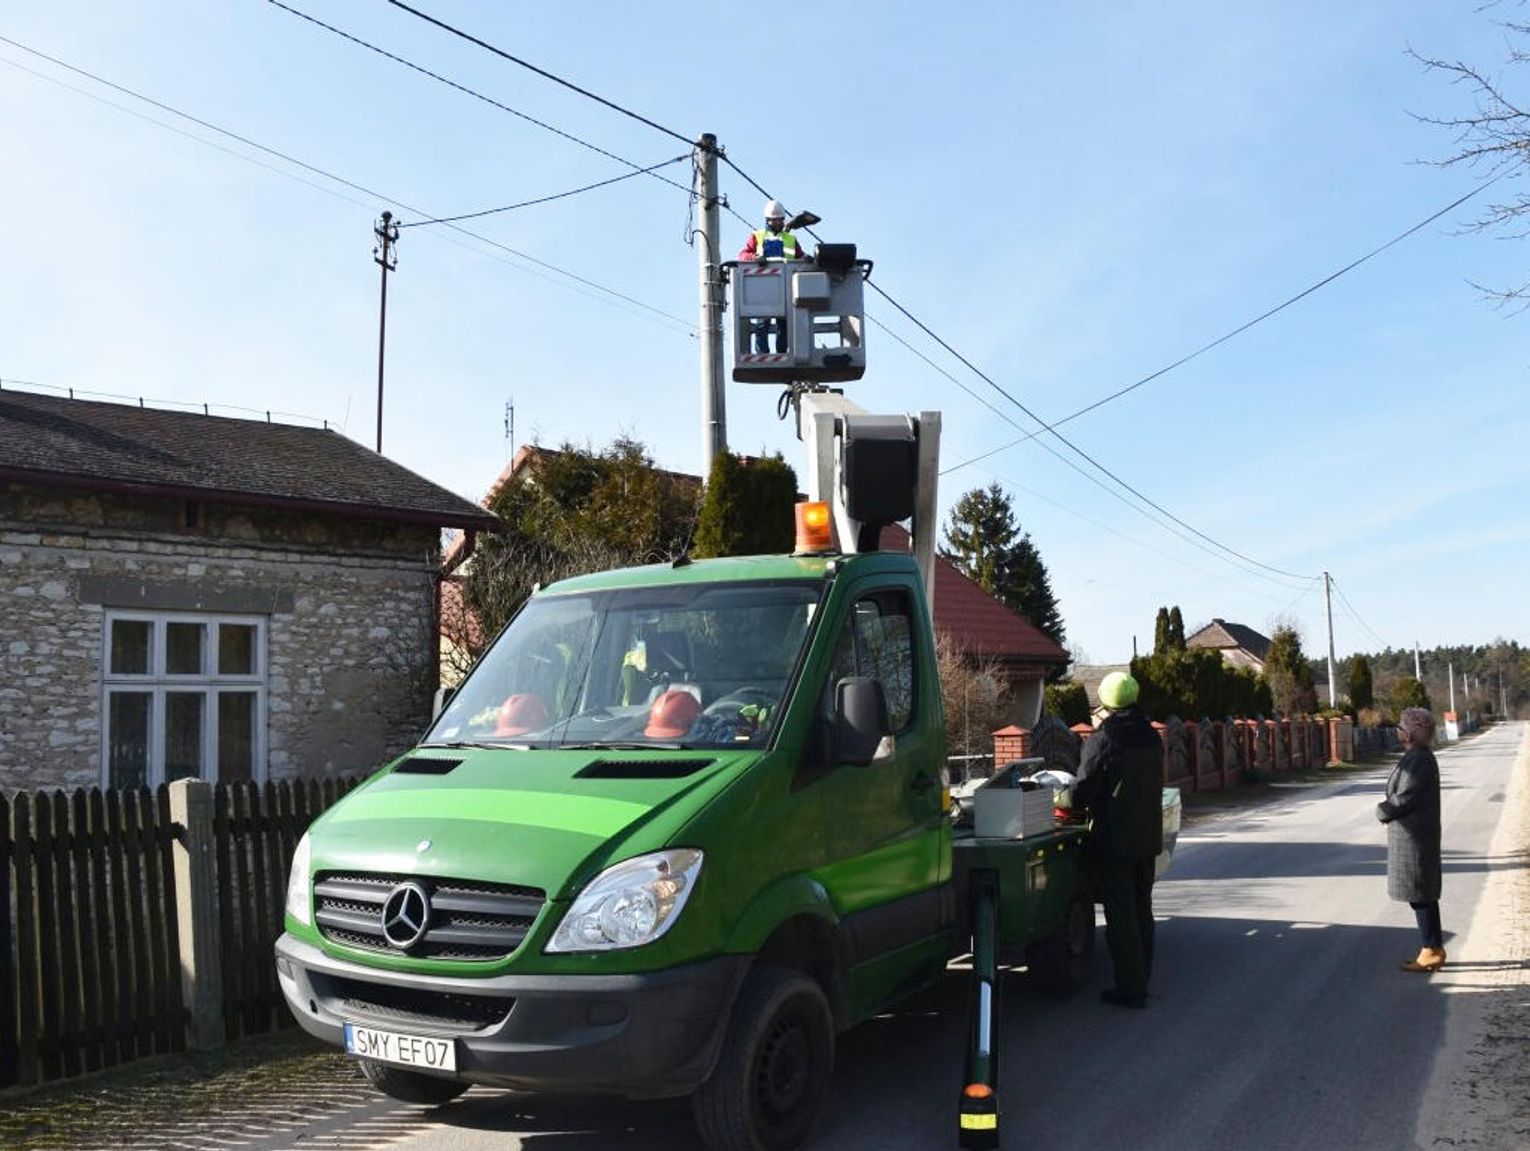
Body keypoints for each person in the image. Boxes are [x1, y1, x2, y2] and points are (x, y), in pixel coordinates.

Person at [1074, 671, 1164, 1008]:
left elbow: (1084, 788)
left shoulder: (1105, 739)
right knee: (1143, 909)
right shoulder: (1151, 736)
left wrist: (1062, 798)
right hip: (1147, 836)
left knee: (1121, 914)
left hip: (1115, 841)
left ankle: (1130, 988)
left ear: (1106, 703)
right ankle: (1142, 975)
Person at [1377, 707, 1445, 972]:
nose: (1398, 731)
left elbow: (1406, 795)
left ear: (1411, 732)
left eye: (1402, 726)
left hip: (1414, 837)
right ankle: (1433, 947)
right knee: (1421, 893)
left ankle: (1430, 949)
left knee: (1420, 894)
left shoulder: (1418, 758)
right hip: (1415, 834)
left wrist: (1383, 810)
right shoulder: (1418, 756)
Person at [738, 198, 807, 353]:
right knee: (763, 322)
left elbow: (800, 256)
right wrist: (754, 258)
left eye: (780, 220)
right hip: (763, 287)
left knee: (784, 323)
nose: (778, 223)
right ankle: (763, 353)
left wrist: (806, 258)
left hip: (785, 287)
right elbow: (743, 255)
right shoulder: (757, 236)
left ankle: (782, 352)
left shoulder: (790, 239)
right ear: (768, 220)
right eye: (775, 220)